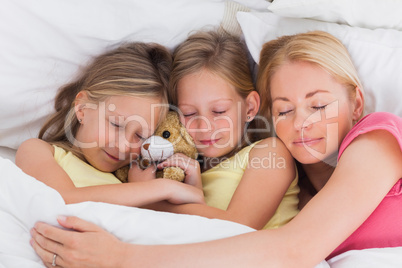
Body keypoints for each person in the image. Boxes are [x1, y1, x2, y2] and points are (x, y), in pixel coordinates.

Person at [30, 31, 402, 268]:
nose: (301, 122)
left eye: (319, 105)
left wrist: (125, 256)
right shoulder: (304, 193)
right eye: (285, 110)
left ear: (356, 104)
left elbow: (290, 249)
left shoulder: (377, 137)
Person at [141, 30, 299, 230]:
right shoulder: (183, 169)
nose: (204, 126)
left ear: (249, 107)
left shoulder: (270, 152)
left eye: (219, 111)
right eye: (189, 113)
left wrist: (148, 197)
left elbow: (236, 228)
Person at [16, 42, 204, 209]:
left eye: (141, 136)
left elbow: (198, 224)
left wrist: (194, 187)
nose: (123, 146)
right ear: (82, 108)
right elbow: (62, 200)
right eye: (116, 124)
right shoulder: (37, 151)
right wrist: (155, 189)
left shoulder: (135, 182)